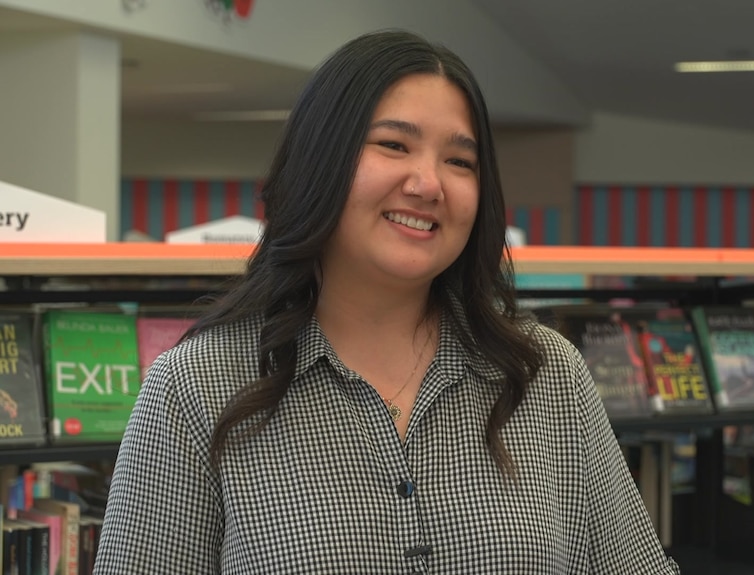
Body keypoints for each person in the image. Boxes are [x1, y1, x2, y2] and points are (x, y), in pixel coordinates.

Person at [94, 29, 681, 574]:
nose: (428, 184)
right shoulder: (197, 387)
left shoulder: (546, 373)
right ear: (320, 161)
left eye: (459, 161)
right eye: (394, 145)